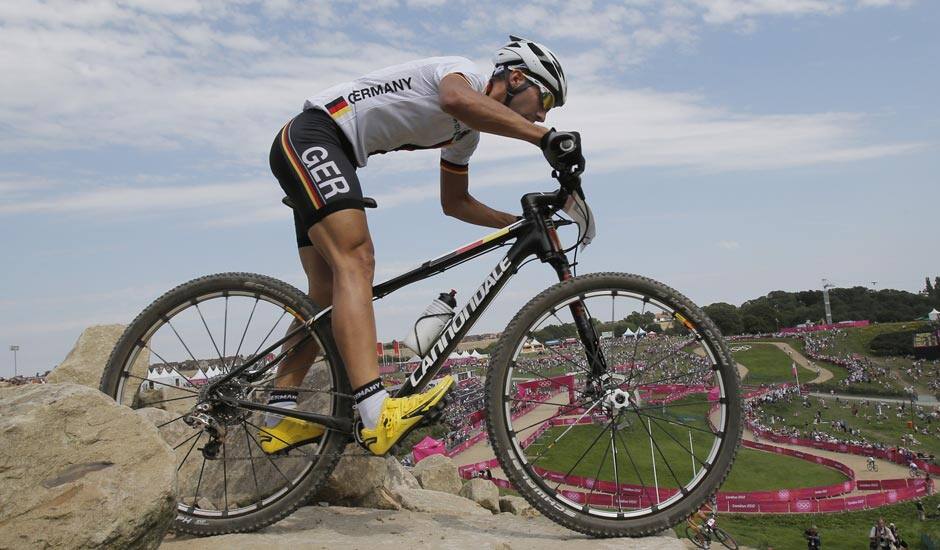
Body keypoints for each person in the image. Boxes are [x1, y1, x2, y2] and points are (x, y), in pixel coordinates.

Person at [259, 36, 579, 456]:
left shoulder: (466, 136)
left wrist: (519, 222)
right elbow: (455, 100)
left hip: (319, 149)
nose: (542, 113)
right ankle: (376, 411)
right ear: (517, 77)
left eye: (548, 112)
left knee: (323, 294)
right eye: (546, 100)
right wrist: (544, 136)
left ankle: (277, 417)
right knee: (357, 260)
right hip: (315, 136)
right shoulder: (463, 74)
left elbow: (455, 203)